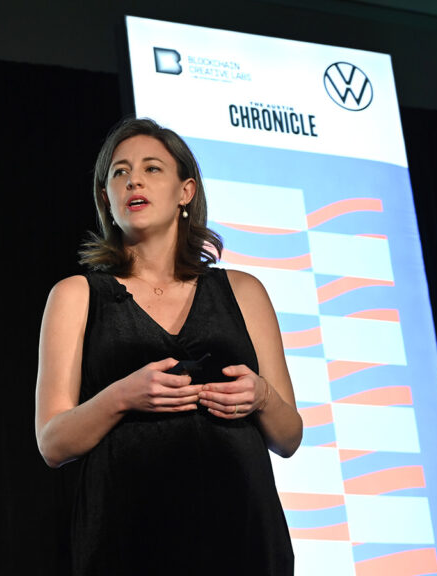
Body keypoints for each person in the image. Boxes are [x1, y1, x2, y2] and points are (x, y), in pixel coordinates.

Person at [34, 118, 303, 575]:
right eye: (119, 173)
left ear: (186, 191)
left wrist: (260, 395)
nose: (133, 180)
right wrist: (124, 396)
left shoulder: (243, 291)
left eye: (152, 168)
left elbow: (289, 436)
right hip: (126, 541)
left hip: (241, 538)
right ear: (107, 199)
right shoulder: (76, 294)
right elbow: (53, 442)